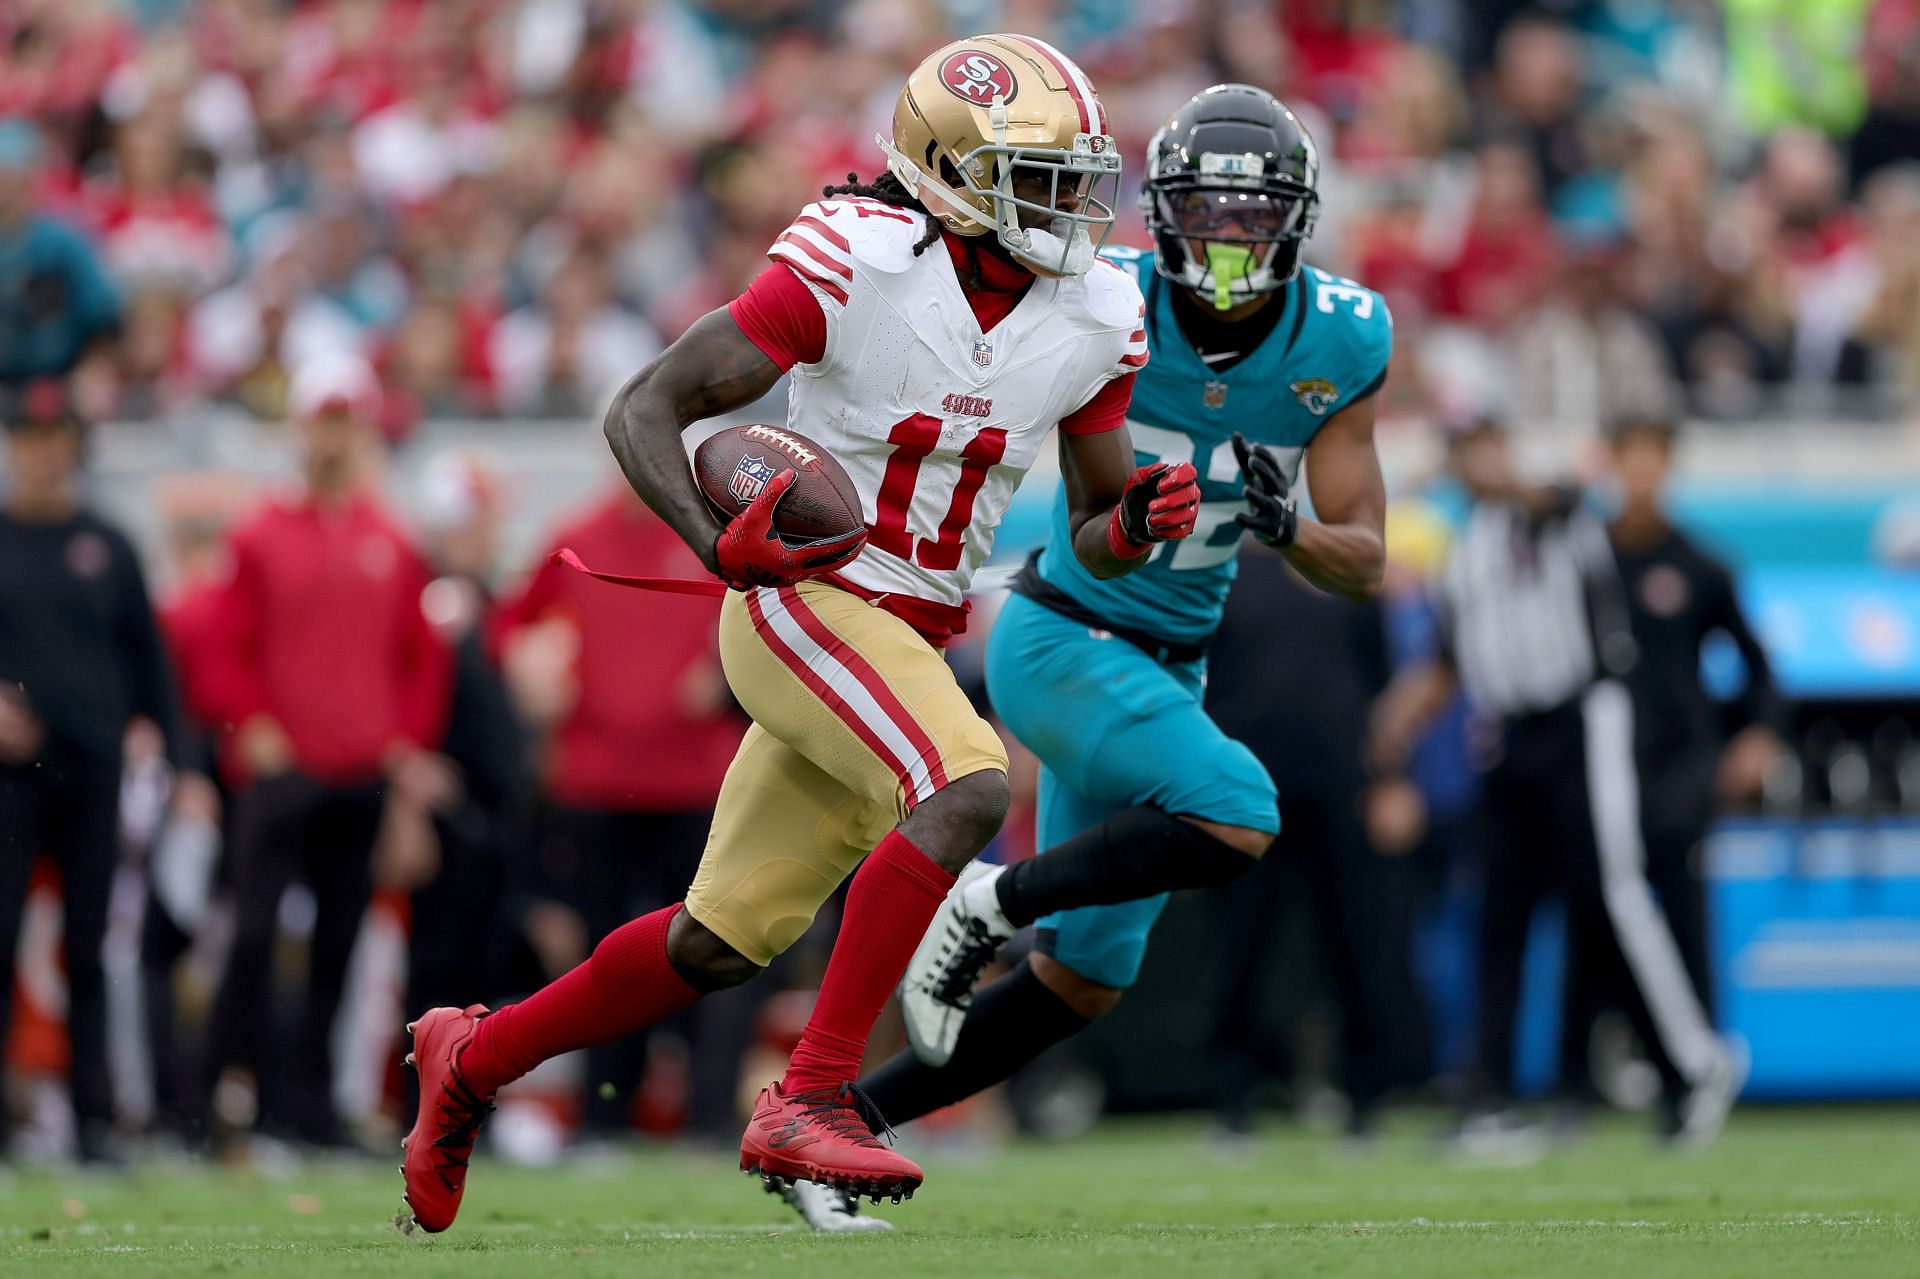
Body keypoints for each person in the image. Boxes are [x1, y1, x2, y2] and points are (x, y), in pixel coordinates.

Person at [400, 33, 1198, 1234]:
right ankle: (813, 1097)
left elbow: (1092, 521)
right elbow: (645, 409)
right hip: (803, 603)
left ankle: (473, 1055)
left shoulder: (1095, 310)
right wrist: (716, 543)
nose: (1071, 204)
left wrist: (1133, 522)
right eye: (1038, 175)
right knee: (969, 782)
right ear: (947, 172)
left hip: (907, 637)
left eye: (1079, 176)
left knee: (718, 940)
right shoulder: (857, 261)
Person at [774, 86, 1390, 1229]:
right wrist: (889, 230)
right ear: (1161, 214)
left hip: (1170, 663)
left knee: (1081, 983)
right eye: (1207, 212)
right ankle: (989, 896)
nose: (1228, 240)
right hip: (1062, 629)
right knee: (1241, 810)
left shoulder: (1343, 337)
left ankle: (836, 1139)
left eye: (1254, 218)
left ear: (1297, 222)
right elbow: (962, 283)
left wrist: (1289, 524)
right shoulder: (1101, 301)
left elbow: (1367, 560)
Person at [1368, 417, 1743, 1153]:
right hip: (1505, 736)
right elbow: (1449, 658)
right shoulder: (1463, 550)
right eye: (1467, 449)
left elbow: (1555, 497)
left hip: (1581, 722)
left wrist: (1489, 472)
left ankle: (1697, 1060)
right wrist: (1401, 716)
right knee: (1498, 918)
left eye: (1488, 447)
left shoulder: (1557, 517)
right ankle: (1489, 1098)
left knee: (1617, 897)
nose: (1479, 463)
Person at [200, 354, 455, 1149]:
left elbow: (421, 657)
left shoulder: (390, 536)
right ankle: (220, 1093)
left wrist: (402, 743)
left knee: (340, 945)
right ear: (302, 429)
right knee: (250, 937)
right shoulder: (259, 531)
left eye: (347, 420)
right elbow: (221, 647)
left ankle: (305, 1104)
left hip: (357, 771)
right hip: (283, 770)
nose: (336, 437)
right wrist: (249, 720)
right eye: (325, 420)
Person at [489, 477, 744, 1141]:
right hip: (598, 784)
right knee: (605, 956)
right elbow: (510, 625)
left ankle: (705, 1114)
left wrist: (727, 677)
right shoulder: (576, 535)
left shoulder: (709, 534)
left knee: (706, 951)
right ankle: (606, 1114)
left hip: (691, 781)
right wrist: (529, 662)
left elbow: (772, 623)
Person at [1558, 418, 1782, 1109]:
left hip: (1677, 767)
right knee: (1594, 916)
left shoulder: (1698, 564)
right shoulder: (1582, 557)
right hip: (1596, 768)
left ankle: (1697, 1067)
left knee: (1680, 913)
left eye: (1653, 459)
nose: (1641, 473)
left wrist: (1757, 736)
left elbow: (1760, 669)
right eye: (1629, 459)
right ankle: (1587, 1077)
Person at [0, 382, 196, 1163]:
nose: (48, 452)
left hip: (91, 771)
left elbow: (151, 663)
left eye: (60, 439)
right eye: (33, 438)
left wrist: (183, 764)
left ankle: (92, 1119)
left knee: (89, 947)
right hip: (9, 777)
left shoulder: (107, 544)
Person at [0, 118, 121, 387]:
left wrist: (93, 371)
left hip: (60, 382)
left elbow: (102, 318)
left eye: (10, 175)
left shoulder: (62, 243)